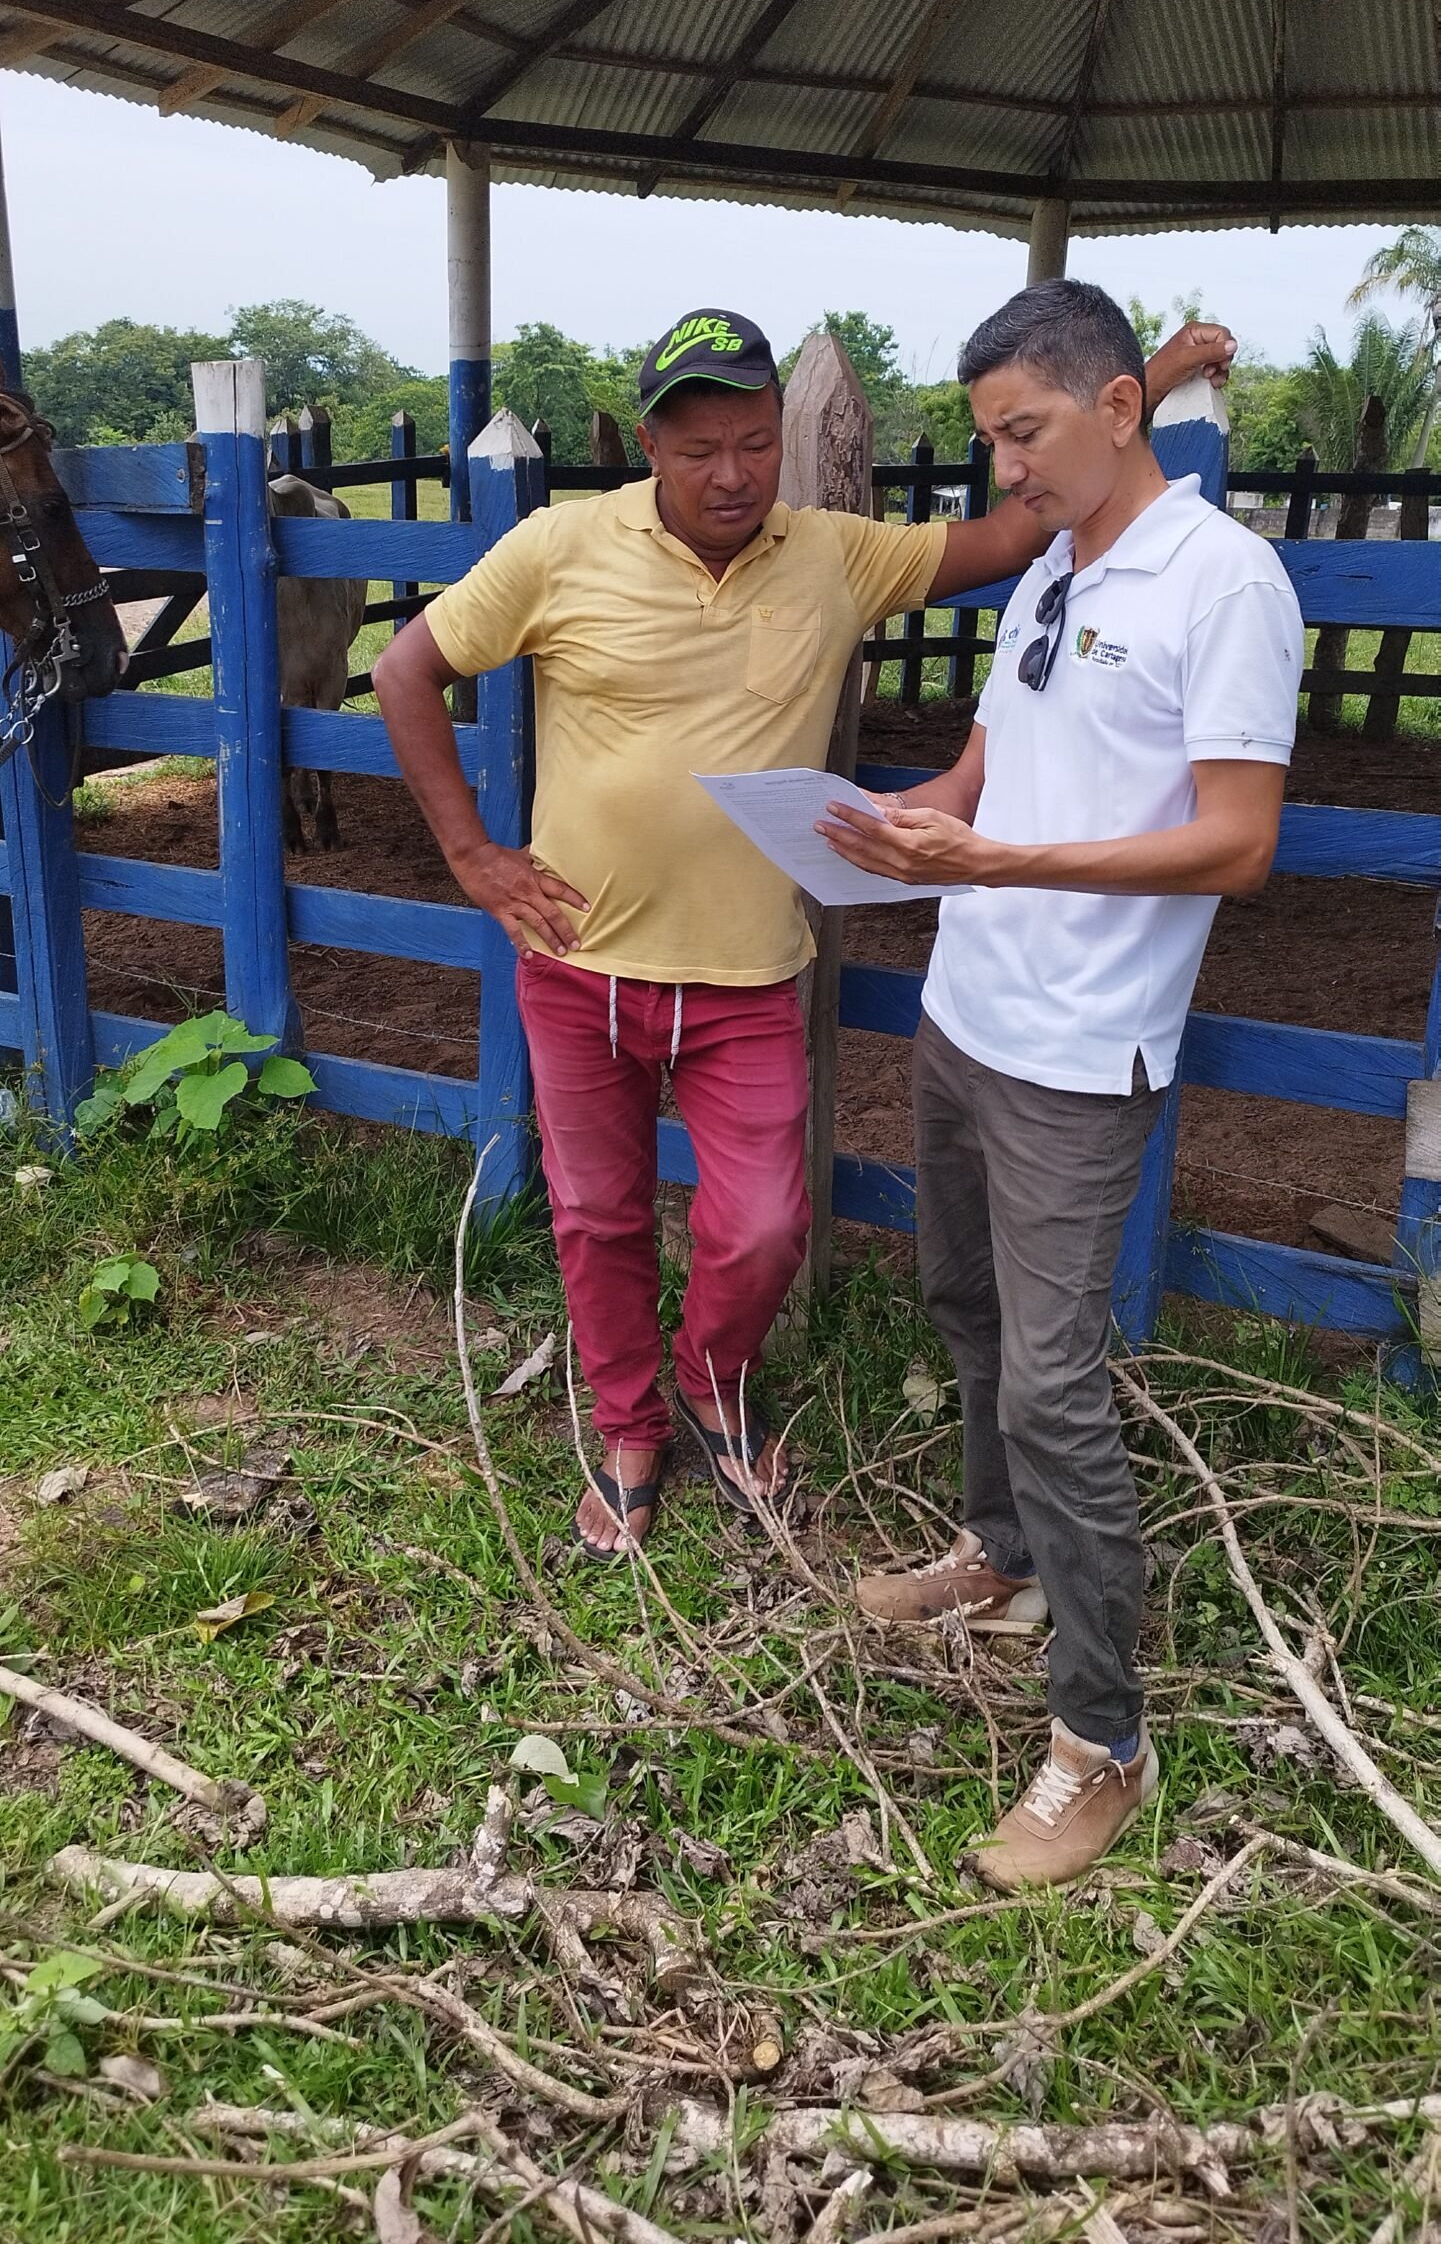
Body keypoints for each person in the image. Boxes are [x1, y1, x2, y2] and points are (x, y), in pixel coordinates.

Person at [375, 304, 1233, 1567]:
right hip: (579, 966)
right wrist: (472, 855)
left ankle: (713, 1383)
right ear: (649, 448)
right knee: (597, 1214)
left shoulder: (834, 553)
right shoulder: (559, 546)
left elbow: (1017, 523)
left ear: (781, 438)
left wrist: (1139, 383)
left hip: (750, 976)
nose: (731, 475)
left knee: (764, 1223)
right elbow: (407, 670)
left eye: (756, 443)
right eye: (699, 449)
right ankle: (628, 1428)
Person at [821, 279, 1301, 1889]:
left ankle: (1101, 1737)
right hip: (970, 1007)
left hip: (1085, 1049)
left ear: (1116, 408)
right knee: (960, 1299)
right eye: (987, 441)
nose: (1002, 471)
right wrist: (905, 815)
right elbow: (987, 765)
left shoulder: (1220, 582)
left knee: (1054, 1384)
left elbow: (1238, 844)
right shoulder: (1050, 571)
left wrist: (1003, 855)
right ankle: (1001, 1555)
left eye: (1021, 435)